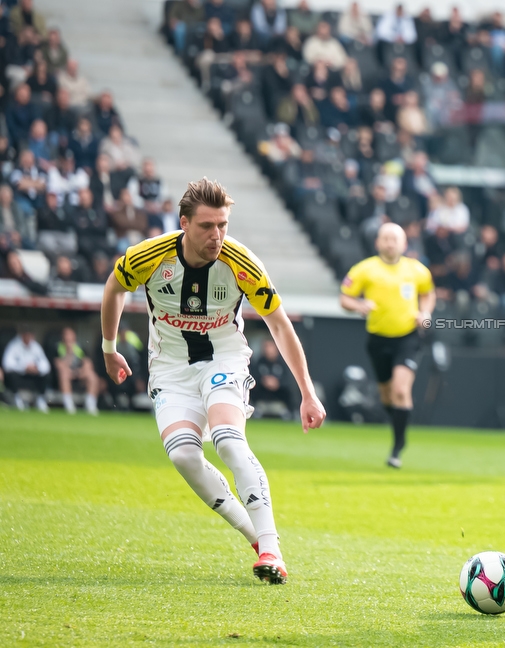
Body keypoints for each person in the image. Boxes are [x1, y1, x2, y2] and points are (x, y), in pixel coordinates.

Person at [100, 177, 326, 585]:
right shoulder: (148, 256)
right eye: (207, 226)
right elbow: (115, 286)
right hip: (169, 368)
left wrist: (308, 393)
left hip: (224, 358)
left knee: (227, 438)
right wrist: (108, 346)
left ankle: (272, 546)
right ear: (184, 223)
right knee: (184, 456)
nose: (217, 235)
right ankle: (255, 538)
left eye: (222, 224)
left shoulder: (242, 263)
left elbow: (280, 325)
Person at [339, 223, 435, 468]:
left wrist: (425, 312)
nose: (391, 242)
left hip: (408, 337)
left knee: (401, 390)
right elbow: (345, 297)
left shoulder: (417, 270)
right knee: (387, 395)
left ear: (404, 244)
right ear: (378, 243)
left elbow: (428, 293)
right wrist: (359, 306)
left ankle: (397, 446)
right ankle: (398, 423)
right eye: (386, 238)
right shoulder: (365, 269)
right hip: (378, 339)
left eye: (395, 238)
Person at [3, 326, 51, 412]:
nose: (28, 338)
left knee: (45, 375)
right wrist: (24, 368)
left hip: (33, 375)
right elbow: (7, 364)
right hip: (19, 374)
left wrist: (37, 368)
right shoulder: (14, 345)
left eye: (30, 336)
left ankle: (40, 399)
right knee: (12, 375)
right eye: (26, 336)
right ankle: (17, 399)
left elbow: (46, 365)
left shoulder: (36, 346)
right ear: (22, 336)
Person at [55, 327, 99, 415]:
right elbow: (59, 365)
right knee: (64, 374)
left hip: (79, 374)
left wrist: (80, 372)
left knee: (92, 376)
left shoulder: (80, 348)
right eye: (67, 336)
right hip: (65, 375)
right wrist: (69, 352)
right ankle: (69, 405)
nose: (69, 339)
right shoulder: (58, 348)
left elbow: (88, 363)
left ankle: (90, 404)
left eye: (71, 336)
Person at [251, 338, 297, 418]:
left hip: (279, 392)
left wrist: (278, 383)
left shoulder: (283, 362)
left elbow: (289, 379)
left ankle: (292, 412)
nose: (268, 349)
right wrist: (264, 381)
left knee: (291, 389)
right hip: (263, 391)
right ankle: (254, 408)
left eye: (270, 346)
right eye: (266, 347)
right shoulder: (259, 362)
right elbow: (253, 376)